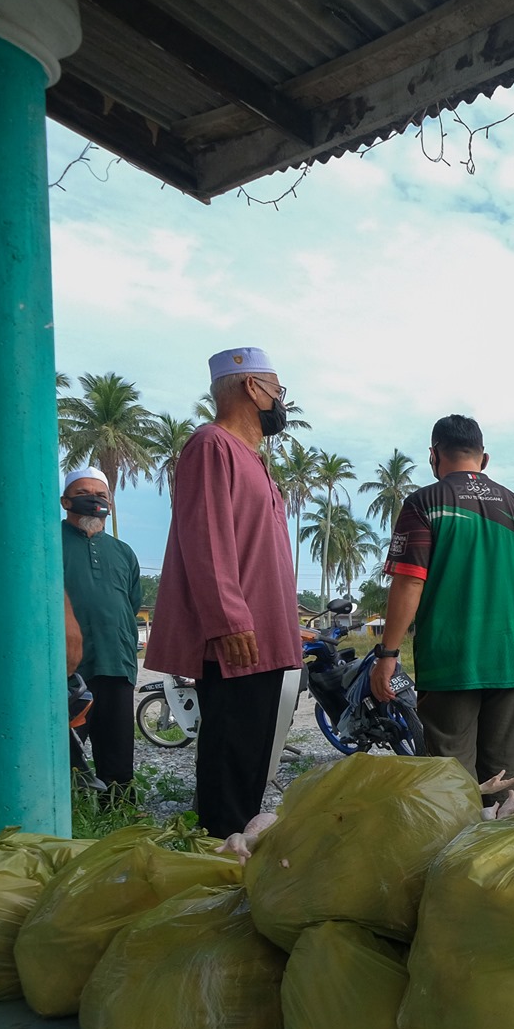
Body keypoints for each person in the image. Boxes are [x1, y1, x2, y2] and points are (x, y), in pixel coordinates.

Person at [145, 348, 299, 839]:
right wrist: (229, 619)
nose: (281, 401)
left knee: (253, 758)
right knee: (229, 760)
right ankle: (218, 860)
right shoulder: (212, 445)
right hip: (238, 640)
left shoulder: (252, 458)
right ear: (251, 387)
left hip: (267, 639)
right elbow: (206, 539)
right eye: (278, 390)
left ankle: (239, 853)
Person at [372, 415, 514, 802]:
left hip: (449, 664)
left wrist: (387, 653)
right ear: (483, 458)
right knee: (502, 781)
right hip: (505, 663)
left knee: (451, 782)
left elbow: (409, 581)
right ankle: (497, 856)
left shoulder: (425, 503)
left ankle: (454, 859)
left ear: (433, 455)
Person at [58, 465, 144, 794]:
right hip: (69, 671)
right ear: (66, 502)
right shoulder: (49, 543)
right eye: (83, 494)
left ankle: (118, 812)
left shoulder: (123, 553)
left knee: (118, 756)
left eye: (101, 495)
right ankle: (71, 818)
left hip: (117, 663)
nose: (93, 500)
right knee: (67, 754)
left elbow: (131, 603)